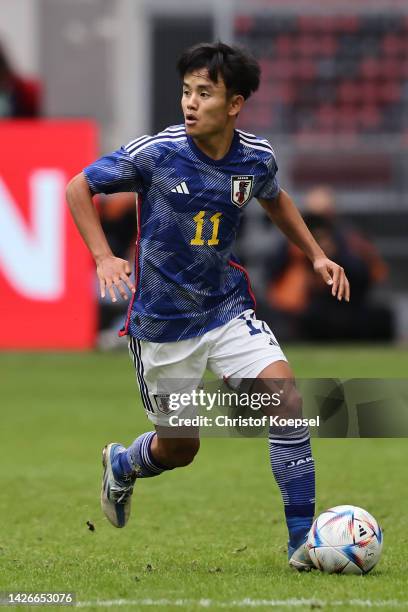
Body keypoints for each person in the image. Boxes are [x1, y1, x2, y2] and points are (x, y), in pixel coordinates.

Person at [66, 42, 350, 571]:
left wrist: (315, 255)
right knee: (181, 449)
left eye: (204, 93)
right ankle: (124, 463)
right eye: (186, 91)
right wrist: (103, 256)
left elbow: (274, 196)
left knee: (285, 401)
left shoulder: (254, 157)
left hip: (225, 309)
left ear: (235, 103)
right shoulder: (158, 152)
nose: (190, 103)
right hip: (163, 327)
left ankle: (302, 544)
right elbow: (79, 186)